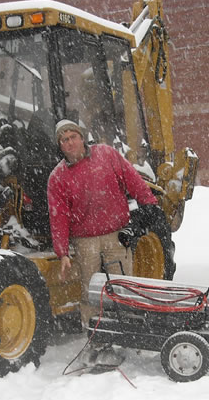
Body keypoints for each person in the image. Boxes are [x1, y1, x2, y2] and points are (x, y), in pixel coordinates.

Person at [47, 119, 158, 360]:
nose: (69, 143)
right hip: (85, 241)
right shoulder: (57, 178)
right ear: (60, 145)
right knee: (91, 290)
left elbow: (132, 179)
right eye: (63, 140)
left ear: (81, 137)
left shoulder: (106, 155)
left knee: (122, 284)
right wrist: (63, 252)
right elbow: (59, 217)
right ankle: (96, 338)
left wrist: (149, 202)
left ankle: (129, 331)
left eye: (72, 137)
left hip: (115, 234)